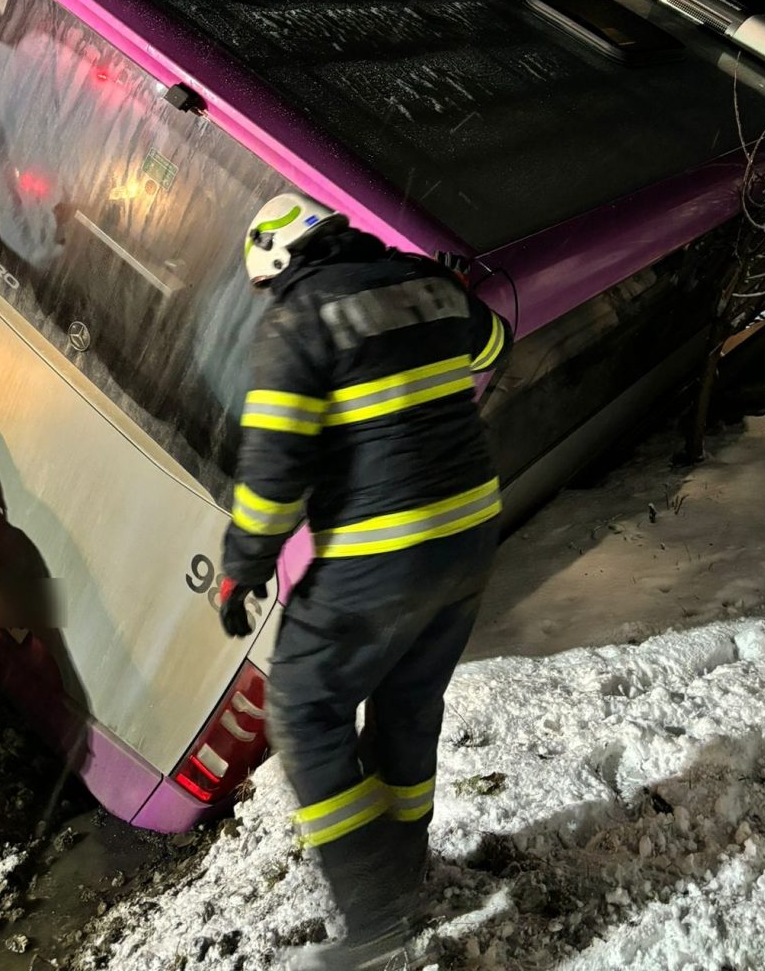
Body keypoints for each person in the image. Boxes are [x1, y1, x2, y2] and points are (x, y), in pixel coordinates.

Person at [217, 194, 512, 971]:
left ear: (277, 260)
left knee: (305, 710)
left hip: (382, 552)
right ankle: (404, 875)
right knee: (409, 704)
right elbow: (493, 347)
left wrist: (244, 564)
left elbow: (275, 470)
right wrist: (448, 293)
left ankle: (376, 922)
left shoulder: (299, 318)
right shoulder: (428, 285)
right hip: (470, 536)